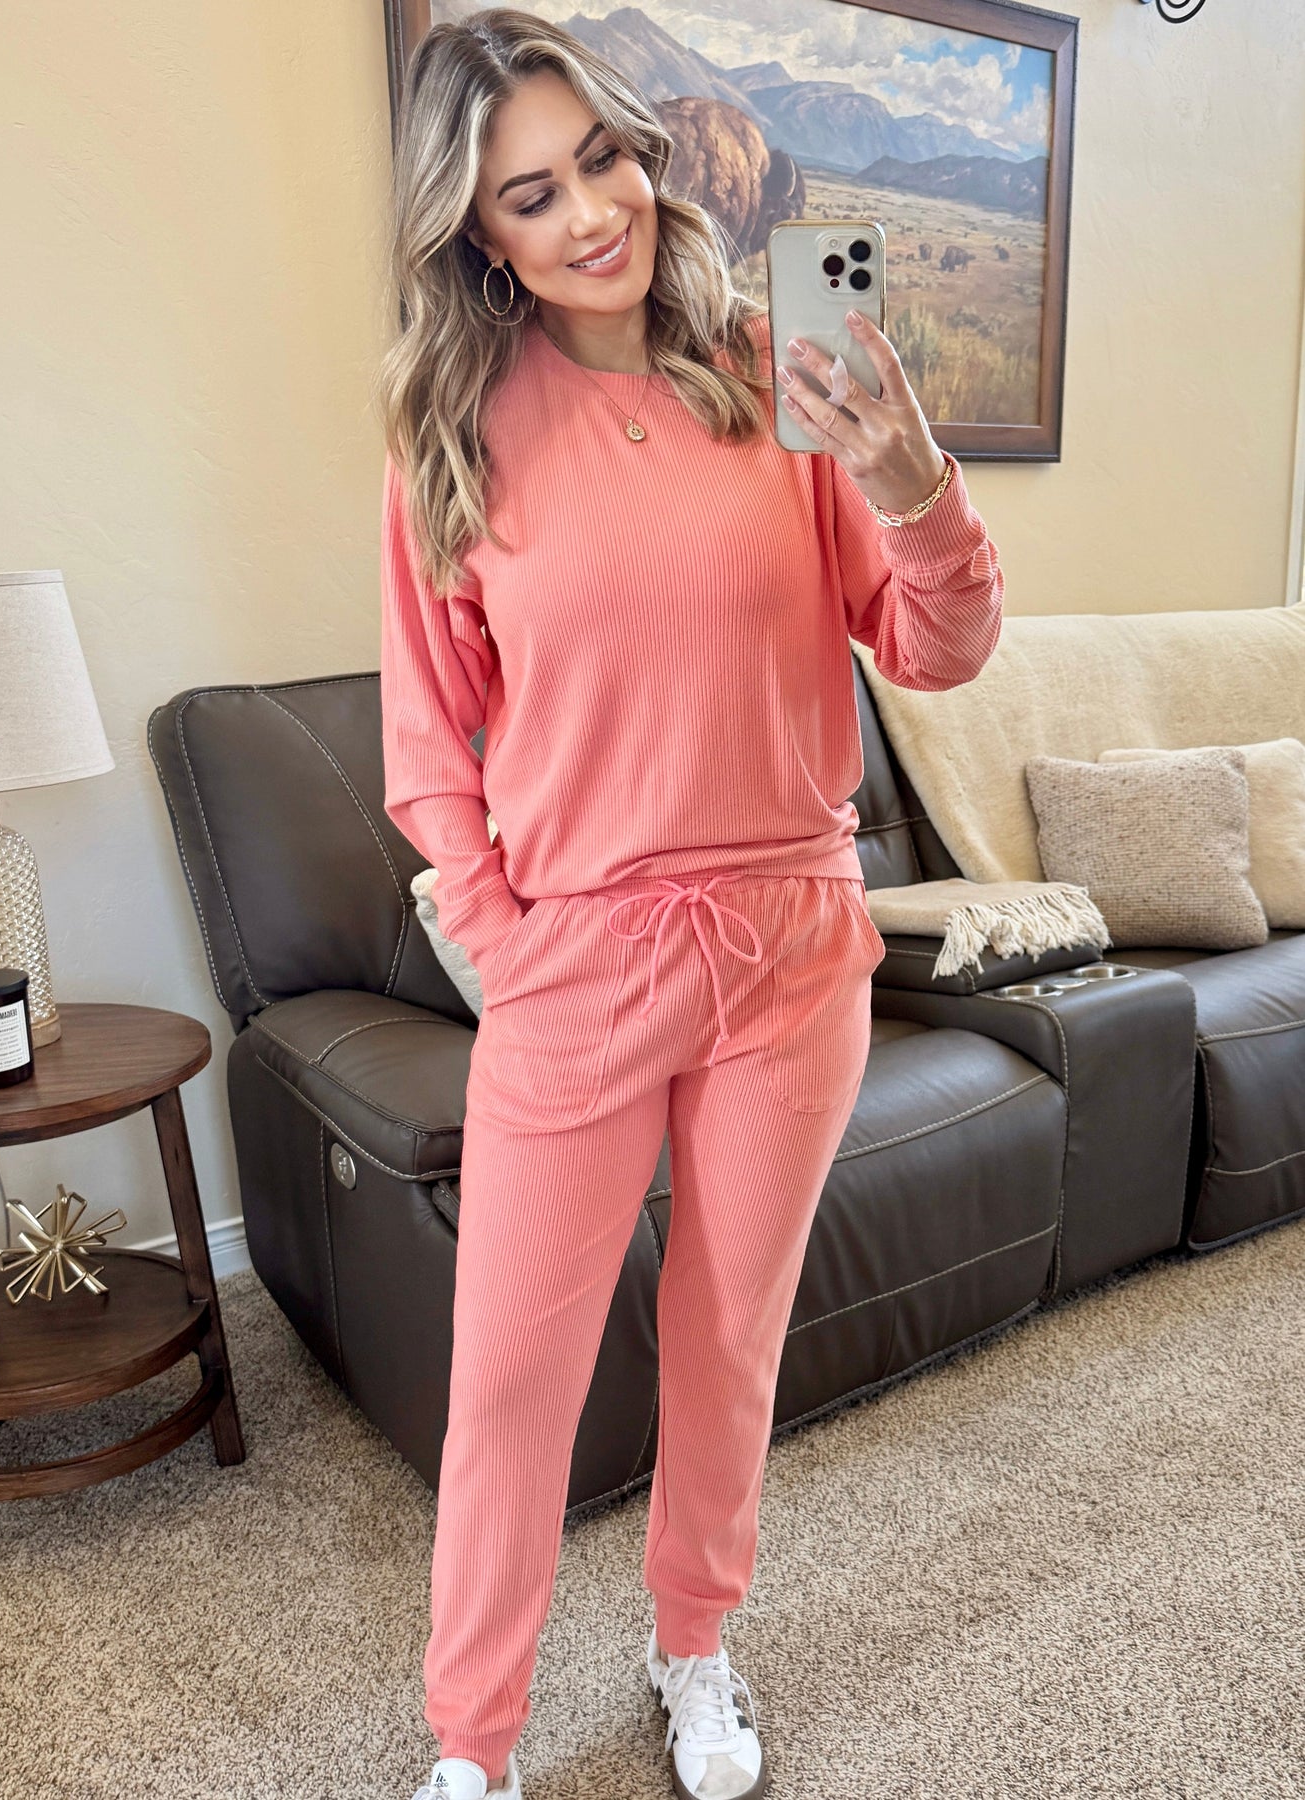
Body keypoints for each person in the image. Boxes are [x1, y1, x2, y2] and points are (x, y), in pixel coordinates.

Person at [375, 11, 1004, 1798]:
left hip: (795, 943)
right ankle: (474, 1742)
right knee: (512, 1376)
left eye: (602, 159)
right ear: (476, 232)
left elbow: (940, 650)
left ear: (645, 151)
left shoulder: (772, 369)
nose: (590, 214)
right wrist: (509, 948)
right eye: (530, 194)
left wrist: (907, 480)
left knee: (729, 1342)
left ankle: (693, 1645)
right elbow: (426, 745)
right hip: (577, 962)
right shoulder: (452, 430)